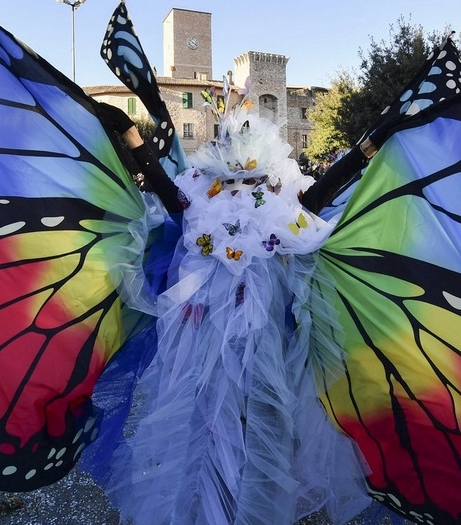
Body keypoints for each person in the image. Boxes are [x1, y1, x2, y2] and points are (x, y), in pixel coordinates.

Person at [91, 97, 372, 525]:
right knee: (206, 414)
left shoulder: (283, 200)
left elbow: (322, 193)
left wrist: (367, 149)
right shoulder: (204, 197)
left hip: (268, 334)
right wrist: (132, 139)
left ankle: (257, 502)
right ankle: (208, 504)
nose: (243, 182)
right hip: (207, 332)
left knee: (267, 412)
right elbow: (170, 196)